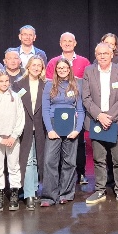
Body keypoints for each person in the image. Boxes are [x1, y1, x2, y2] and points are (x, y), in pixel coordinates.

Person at [82, 43, 118, 206]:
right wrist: (100, 115)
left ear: (111, 55)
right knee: (99, 159)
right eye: (99, 54)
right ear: (96, 55)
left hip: (116, 122)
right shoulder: (89, 71)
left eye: (105, 53)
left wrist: (109, 117)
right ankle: (99, 190)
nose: (102, 56)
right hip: (96, 121)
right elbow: (86, 98)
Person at [45, 32, 92, 184]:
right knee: (57, 149)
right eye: (64, 41)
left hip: (76, 112)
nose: (67, 43)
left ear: (75, 43)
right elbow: (49, 86)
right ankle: (59, 178)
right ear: (60, 44)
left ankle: (80, 174)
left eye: (70, 41)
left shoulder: (84, 61)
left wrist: (80, 110)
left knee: (78, 145)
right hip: (56, 116)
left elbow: (87, 85)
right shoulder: (53, 62)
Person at [40, 59, 85, 206]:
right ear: (55, 70)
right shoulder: (49, 85)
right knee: (49, 161)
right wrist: (50, 130)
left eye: (65, 67)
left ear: (69, 69)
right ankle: (49, 196)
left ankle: (65, 194)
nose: (62, 70)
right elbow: (45, 109)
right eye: (59, 68)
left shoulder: (76, 84)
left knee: (69, 161)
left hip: (71, 126)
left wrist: (77, 129)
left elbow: (80, 110)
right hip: (54, 126)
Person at [0, 70, 25, 211]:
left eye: (6, 81)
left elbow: (20, 117)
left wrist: (14, 135)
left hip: (13, 138)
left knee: (14, 166)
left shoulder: (16, 97)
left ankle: (14, 193)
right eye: (1, 81)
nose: (4, 83)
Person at [14, 55, 47, 210]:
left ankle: (33, 190)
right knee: (27, 160)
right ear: (28, 66)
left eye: (39, 65)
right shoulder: (18, 84)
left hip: (40, 128)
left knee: (36, 160)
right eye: (33, 65)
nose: (36, 68)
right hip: (24, 127)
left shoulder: (46, 85)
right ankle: (29, 195)